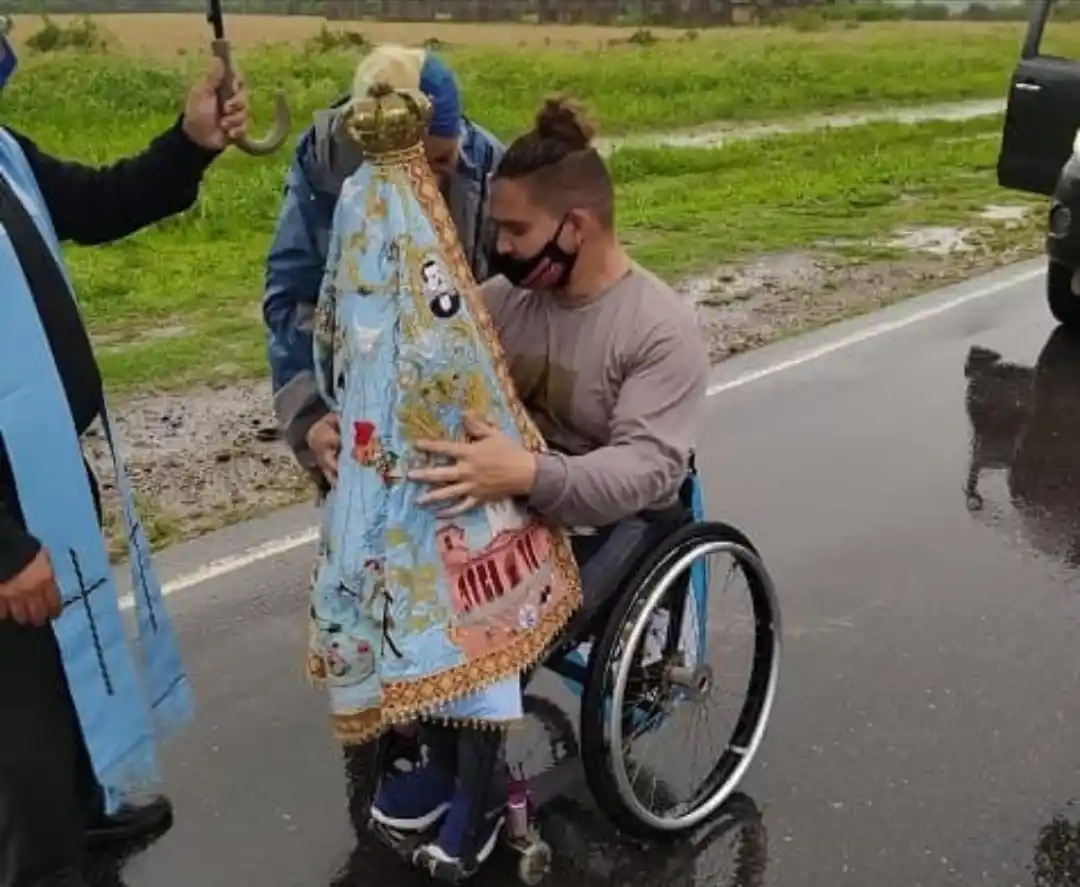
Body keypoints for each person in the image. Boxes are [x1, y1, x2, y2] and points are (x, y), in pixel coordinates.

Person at [305, 81, 581, 884]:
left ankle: (479, 791)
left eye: (437, 163)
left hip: (487, 458)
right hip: (404, 449)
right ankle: (438, 764)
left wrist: (528, 462)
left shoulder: (398, 207)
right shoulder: (374, 206)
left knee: (468, 599)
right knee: (400, 588)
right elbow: (336, 331)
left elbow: (437, 349)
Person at [0, 28, 250, 887]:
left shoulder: (1, 152)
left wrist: (187, 145)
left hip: (43, 480)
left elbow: (97, 203)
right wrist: (3, 545)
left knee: (63, 673)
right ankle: (44, 860)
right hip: (4, 515)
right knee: (19, 727)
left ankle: (81, 811)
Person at [408, 96, 710, 626]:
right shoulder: (502, 302)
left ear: (576, 227)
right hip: (524, 502)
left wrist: (528, 473)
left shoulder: (659, 330)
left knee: (507, 625)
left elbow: (643, 468)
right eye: (497, 228)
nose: (500, 246)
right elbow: (433, 366)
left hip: (623, 519)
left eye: (517, 231)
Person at [263, 44, 504, 491]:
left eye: (443, 162)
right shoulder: (324, 169)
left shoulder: (488, 167)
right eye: (416, 166)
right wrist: (311, 417)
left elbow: (520, 295)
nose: (428, 183)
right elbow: (292, 302)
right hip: (363, 405)